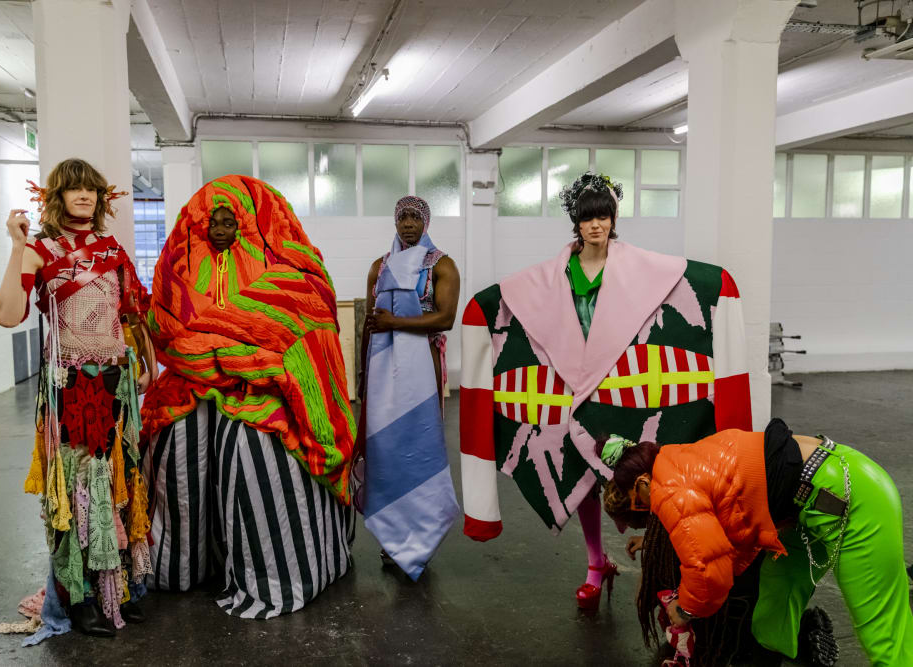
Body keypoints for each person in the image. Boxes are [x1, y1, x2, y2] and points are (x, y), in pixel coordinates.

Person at [459, 172, 752, 611]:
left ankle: (662, 567)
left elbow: (675, 279)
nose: (596, 225)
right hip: (573, 386)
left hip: (624, 389)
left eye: (604, 215)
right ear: (575, 222)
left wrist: (718, 289)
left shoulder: (641, 268)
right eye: (587, 217)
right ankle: (595, 564)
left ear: (614, 218)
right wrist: (483, 312)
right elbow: (526, 303)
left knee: (648, 474)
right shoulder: (557, 274)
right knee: (579, 475)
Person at [140, 174, 356, 619]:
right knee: (176, 437)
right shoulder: (181, 264)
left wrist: (230, 338)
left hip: (263, 382)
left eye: (229, 222)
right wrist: (219, 341)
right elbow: (169, 325)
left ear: (250, 223)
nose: (220, 230)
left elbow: (301, 312)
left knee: (253, 446)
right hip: (195, 379)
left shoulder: (284, 263)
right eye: (212, 223)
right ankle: (177, 566)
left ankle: (277, 569)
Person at [0, 158, 156, 640]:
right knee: (75, 494)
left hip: (114, 387)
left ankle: (118, 590)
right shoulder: (39, 249)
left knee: (118, 486)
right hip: (68, 390)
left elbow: (133, 312)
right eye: (73, 188)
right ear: (56, 196)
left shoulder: (111, 249)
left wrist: (146, 364)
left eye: (91, 189)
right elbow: (7, 315)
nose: (83, 195)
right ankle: (76, 598)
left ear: (101, 199)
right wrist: (18, 245)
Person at [601, 420, 913, 666]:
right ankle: (769, 659)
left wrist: (684, 609)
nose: (650, 514)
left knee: (882, 630)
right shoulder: (679, 459)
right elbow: (727, 536)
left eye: (641, 509)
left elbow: (710, 570)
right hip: (809, 502)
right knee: (775, 602)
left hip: (854, 497)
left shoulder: (667, 487)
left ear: (640, 486)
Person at [357, 195, 461, 579]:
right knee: (386, 447)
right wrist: (365, 375)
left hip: (423, 368)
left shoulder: (441, 266)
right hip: (384, 369)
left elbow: (446, 318)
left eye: (416, 218)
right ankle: (391, 537)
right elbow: (371, 322)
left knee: (418, 445)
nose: (408, 225)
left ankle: (421, 537)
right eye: (403, 217)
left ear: (427, 222)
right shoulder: (379, 267)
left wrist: (395, 325)